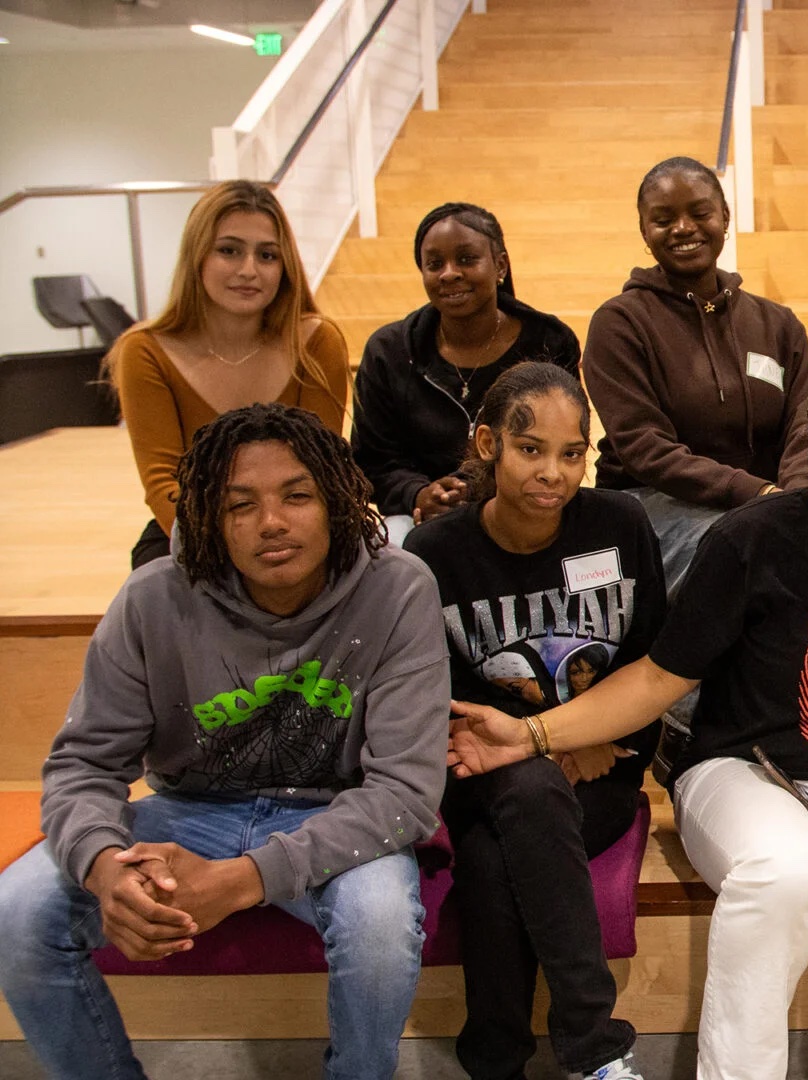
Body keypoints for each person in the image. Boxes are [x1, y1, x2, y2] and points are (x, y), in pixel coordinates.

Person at [446, 357, 808, 1080]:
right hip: (739, 767)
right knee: (784, 873)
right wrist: (534, 733)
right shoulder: (749, 539)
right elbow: (659, 678)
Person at [0, 403, 447, 1079]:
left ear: (335, 500)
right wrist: (102, 865)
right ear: (210, 516)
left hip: (334, 811)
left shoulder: (398, 590)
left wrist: (242, 882)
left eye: (296, 496)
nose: (272, 522)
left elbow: (405, 795)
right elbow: (84, 763)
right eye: (241, 505)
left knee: (380, 924)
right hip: (187, 810)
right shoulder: (153, 599)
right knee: (18, 911)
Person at [404, 363, 665, 1080]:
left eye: (572, 452)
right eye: (530, 449)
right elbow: (445, 707)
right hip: (480, 773)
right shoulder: (433, 556)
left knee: (493, 859)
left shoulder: (619, 523)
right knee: (526, 794)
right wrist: (540, 751)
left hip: (602, 765)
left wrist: (593, 740)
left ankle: (496, 1062)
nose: (554, 471)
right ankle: (595, 1051)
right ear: (488, 442)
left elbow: (649, 660)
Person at [582, 155, 808, 594]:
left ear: (725, 218)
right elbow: (644, 448)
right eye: (663, 219)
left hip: (772, 501)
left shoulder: (777, 323)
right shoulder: (619, 324)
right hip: (652, 503)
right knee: (741, 552)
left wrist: (798, 494)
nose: (683, 228)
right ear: (644, 232)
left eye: (700, 212)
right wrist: (760, 496)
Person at [106, 179, 349, 568]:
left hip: (294, 527)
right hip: (194, 528)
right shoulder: (145, 351)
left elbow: (320, 471)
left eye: (267, 255)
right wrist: (234, 551)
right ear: (197, 255)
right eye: (229, 251)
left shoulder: (317, 342)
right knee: (153, 578)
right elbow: (162, 485)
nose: (249, 270)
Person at [353, 202, 581, 545]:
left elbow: (563, 444)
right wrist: (419, 493)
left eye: (465, 259)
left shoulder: (548, 341)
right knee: (389, 552)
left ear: (500, 264)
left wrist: (475, 489)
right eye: (434, 264)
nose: (448, 273)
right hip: (418, 514)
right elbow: (372, 461)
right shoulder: (388, 351)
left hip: (525, 501)